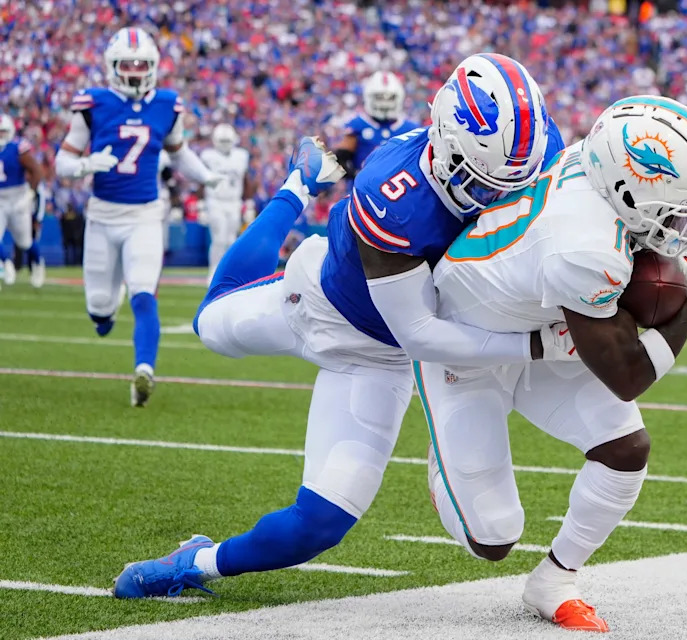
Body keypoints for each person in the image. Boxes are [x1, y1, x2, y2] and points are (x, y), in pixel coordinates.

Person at [112, 53, 572, 599]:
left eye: (511, 181)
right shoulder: (394, 195)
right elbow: (419, 333)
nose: (500, 198)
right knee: (210, 324)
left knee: (321, 524)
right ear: (447, 144)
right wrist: (534, 344)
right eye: (484, 184)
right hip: (324, 306)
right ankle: (298, 185)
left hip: (382, 361)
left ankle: (196, 562)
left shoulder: (529, 147)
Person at [415, 96, 687, 631]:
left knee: (625, 450)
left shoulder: (600, 165)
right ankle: (446, 457)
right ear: (627, 193)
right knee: (493, 539)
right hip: (468, 347)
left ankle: (554, 580)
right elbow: (627, 377)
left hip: (543, 324)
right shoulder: (586, 247)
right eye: (680, 212)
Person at [54, 27, 222, 407]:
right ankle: (104, 315)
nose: (133, 71)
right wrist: (85, 165)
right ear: (111, 67)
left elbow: (179, 154)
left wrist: (206, 175)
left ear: (154, 66)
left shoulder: (167, 104)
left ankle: (144, 371)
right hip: (101, 216)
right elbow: (62, 161)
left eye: (141, 64)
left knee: (144, 295)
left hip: (145, 214)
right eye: (126, 64)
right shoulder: (92, 103)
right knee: (100, 311)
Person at [334, 71, 419, 180]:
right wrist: (355, 175)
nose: (384, 103)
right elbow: (340, 161)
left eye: (390, 98)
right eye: (379, 97)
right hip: (363, 191)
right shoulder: (358, 125)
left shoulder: (410, 128)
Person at [198, 124, 254, 284]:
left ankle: (227, 272)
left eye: (227, 140)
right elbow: (203, 180)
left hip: (234, 201)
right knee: (219, 239)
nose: (224, 144)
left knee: (231, 240)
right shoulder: (208, 156)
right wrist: (201, 204)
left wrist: (248, 203)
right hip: (215, 201)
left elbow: (245, 180)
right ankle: (213, 271)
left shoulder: (241, 156)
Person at [0, 114, 46, 290]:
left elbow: (36, 171)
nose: (1, 135)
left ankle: (37, 264)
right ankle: (7, 265)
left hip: (18, 196)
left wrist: (29, 194)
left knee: (25, 242)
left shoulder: (17, 148)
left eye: (3, 132)